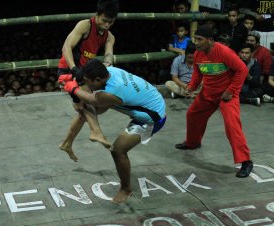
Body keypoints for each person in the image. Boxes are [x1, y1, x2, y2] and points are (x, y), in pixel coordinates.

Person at [62, 59, 166, 203]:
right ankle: (71, 142)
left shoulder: (113, 92)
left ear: (98, 79)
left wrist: (73, 89)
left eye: (87, 81)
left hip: (152, 118)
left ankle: (126, 189)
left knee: (118, 150)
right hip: (149, 99)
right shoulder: (109, 70)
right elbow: (90, 96)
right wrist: (75, 79)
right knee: (83, 107)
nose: (86, 83)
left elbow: (92, 99)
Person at [175, 25, 253, 178]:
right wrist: (191, 87)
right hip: (208, 94)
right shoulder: (198, 54)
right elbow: (198, 73)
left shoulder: (224, 52)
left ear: (210, 41)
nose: (196, 42)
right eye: (195, 39)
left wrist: (230, 91)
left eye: (200, 39)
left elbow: (242, 70)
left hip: (227, 96)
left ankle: (246, 162)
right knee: (192, 115)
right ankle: (193, 142)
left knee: (232, 126)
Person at [57, 0, 119, 161]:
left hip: (85, 73)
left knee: (86, 110)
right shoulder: (85, 25)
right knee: (88, 103)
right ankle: (96, 132)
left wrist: (107, 65)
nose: (107, 25)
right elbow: (66, 47)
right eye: (104, 20)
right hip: (68, 69)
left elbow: (108, 55)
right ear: (97, 15)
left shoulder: (109, 36)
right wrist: (73, 69)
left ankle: (66, 144)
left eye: (110, 22)